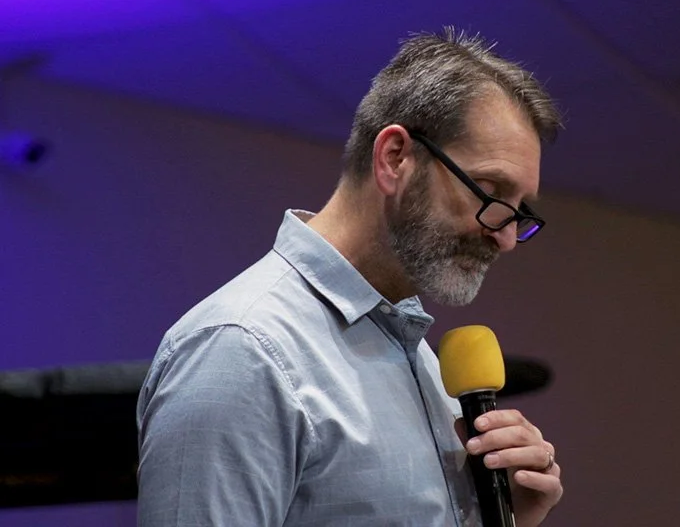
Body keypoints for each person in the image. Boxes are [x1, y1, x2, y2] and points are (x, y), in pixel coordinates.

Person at [137, 28, 564, 526]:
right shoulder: (243, 349)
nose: (505, 237)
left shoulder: (417, 356)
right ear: (395, 158)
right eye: (489, 192)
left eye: (518, 212)